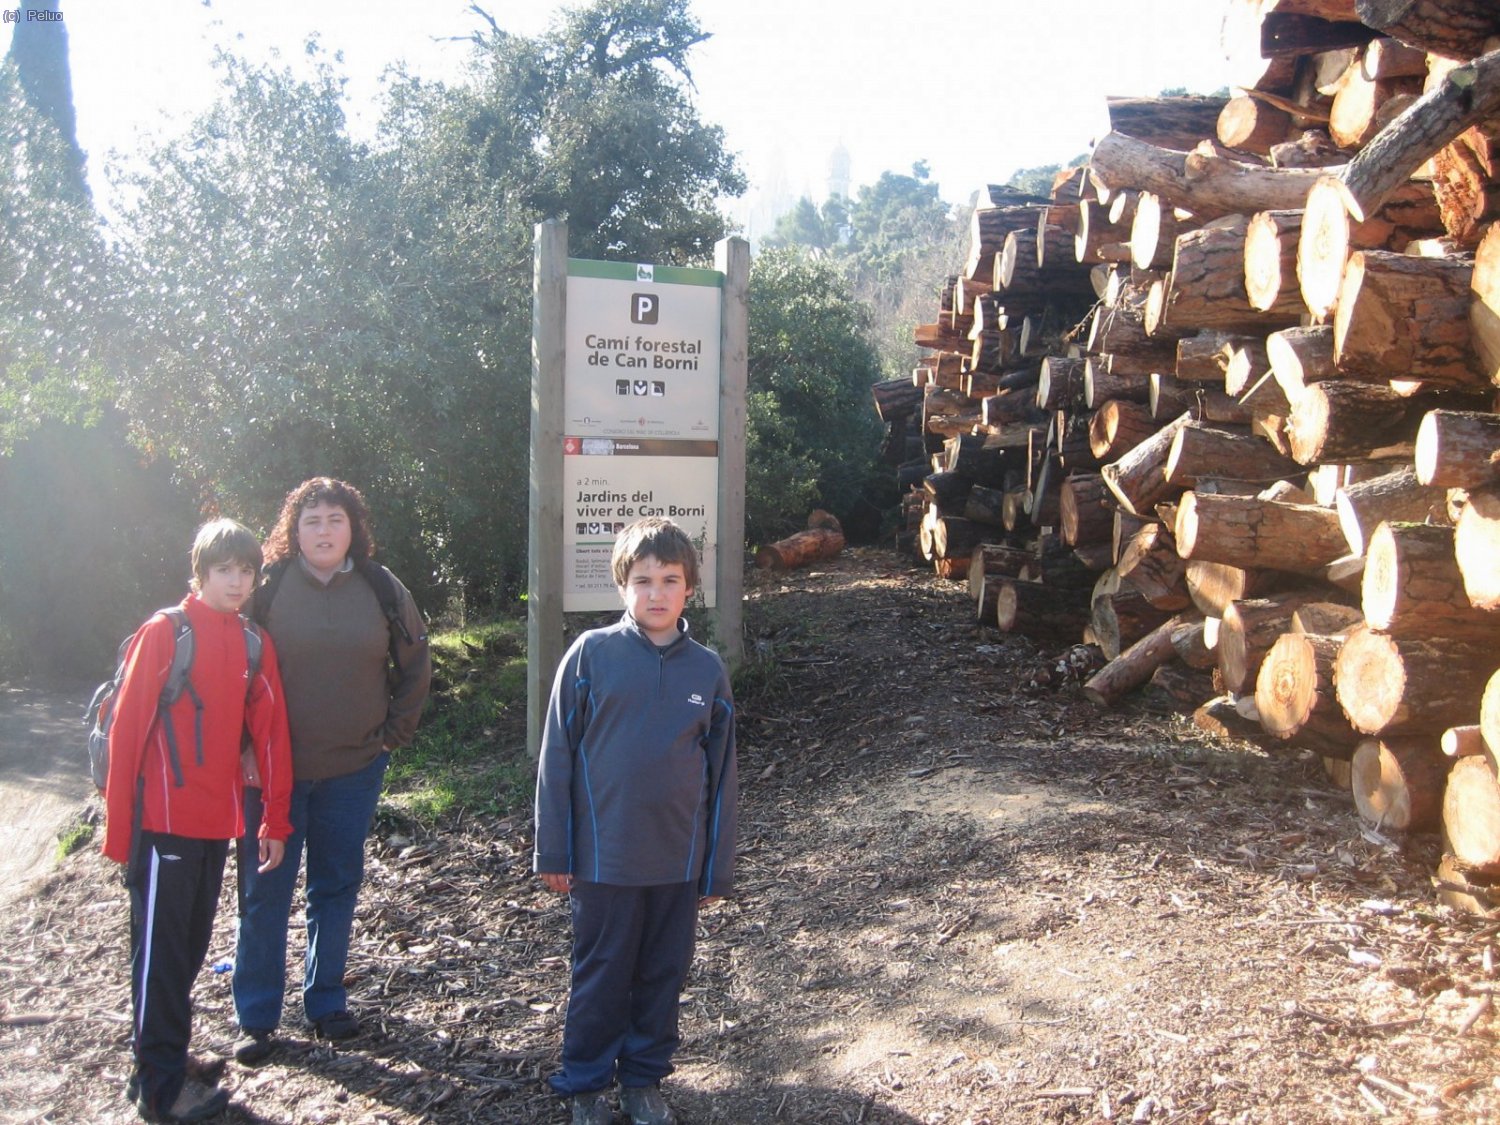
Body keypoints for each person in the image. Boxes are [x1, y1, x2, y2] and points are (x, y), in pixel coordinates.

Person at [534, 517, 738, 1125]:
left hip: (676, 861)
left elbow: (722, 775)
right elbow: (556, 757)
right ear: (622, 585)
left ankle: (644, 1080)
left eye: (670, 580)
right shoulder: (590, 656)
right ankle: (587, 1083)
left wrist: (714, 867)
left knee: (662, 972)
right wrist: (555, 851)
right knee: (601, 972)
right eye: (643, 580)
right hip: (603, 860)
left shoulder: (706, 670)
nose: (656, 593)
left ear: (689, 588)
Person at [231, 477, 431, 1065]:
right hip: (272, 778)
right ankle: (258, 1017)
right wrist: (241, 747)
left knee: (335, 886)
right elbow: (229, 669)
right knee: (264, 893)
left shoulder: (380, 586)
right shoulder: (264, 590)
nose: (324, 530)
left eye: (335, 519)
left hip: (354, 770)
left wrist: (393, 734)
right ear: (293, 530)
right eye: (312, 520)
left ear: (354, 528)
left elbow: (416, 663)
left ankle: (325, 1003)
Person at [103, 519, 293, 1123]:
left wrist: (275, 822)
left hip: (219, 824)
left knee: (185, 954)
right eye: (224, 570)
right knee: (160, 958)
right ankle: (159, 1090)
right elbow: (128, 730)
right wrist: (119, 832)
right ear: (200, 571)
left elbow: (272, 737)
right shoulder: (166, 632)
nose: (236, 582)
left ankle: (161, 1059)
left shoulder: (253, 642)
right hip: (162, 827)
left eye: (246, 571)